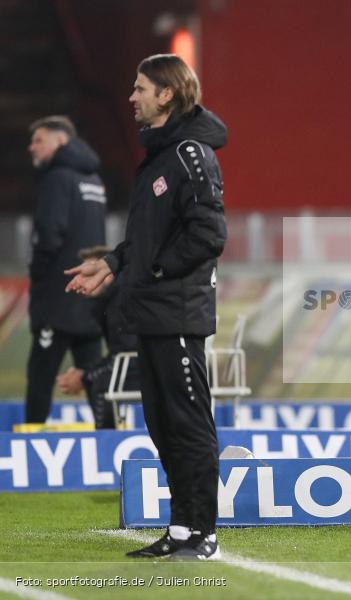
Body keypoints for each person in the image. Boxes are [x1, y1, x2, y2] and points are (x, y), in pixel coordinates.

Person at [65, 54, 227, 560]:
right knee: (161, 423)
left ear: (166, 94)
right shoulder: (159, 156)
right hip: (152, 313)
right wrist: (112, 264)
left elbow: (209, 234)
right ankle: (180, 528)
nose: (132, 97)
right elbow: (146, 240)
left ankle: (203, 533)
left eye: (140, 88)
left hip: (177, 312)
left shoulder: (191, 153)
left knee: (188, 423)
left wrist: (154, 272)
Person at [25, 115, 106, 424]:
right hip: (90, 297)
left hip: (57, 298)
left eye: (39, 140)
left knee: (40, 376)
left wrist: (38, 275)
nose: (31, 147)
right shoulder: (94, 179)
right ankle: (110, 436)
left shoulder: (57, 178)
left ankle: (31, 440)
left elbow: (49, 235)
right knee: (96, 378)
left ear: (61, 140)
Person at [56, 246, 139, 429]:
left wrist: (84, 376)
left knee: (100, 381)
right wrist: (85, 374)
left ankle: (106, 438)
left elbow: (128, 352)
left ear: (108, 275)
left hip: (145, 365)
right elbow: (119, 352)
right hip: (132, 362)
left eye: (90, 273)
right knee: (95, 376)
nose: (81, 279)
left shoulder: (121, 302)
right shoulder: (106, 302)